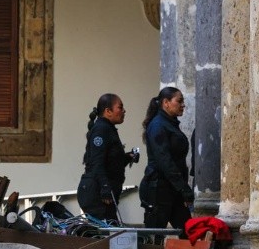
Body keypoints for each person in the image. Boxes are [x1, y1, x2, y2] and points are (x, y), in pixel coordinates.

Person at [77, 93, 139, 224]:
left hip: (102, 191)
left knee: (110, 232)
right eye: (120, 107)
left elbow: (111, 161)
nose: (124, 111)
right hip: (97, 193)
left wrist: (128, 157)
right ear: (108, 111)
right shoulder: (101, 129)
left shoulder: (108, 129)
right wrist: (105, 188)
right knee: (107, 234)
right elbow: (97, 162)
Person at [139, 86, 194, 235]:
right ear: (166, 103)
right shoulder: (158, 125)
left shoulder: (169, 123)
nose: (183, 105)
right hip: (158, 189)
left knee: (188, 232)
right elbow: (165, 161)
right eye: (179, 101)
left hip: (172, 189)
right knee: (153, 238)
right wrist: (184, 188)